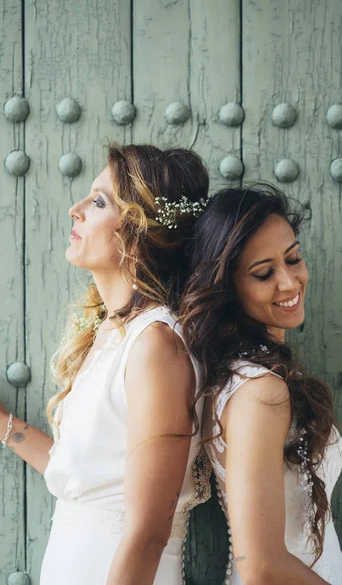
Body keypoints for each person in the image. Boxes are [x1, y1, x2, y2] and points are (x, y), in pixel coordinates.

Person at [0, 143, 212, 585]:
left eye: (98, 202)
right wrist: (5, 425)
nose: (75, 209)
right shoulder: (112, 334)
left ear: (139, 229)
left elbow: (148, 531)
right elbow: (86, 481)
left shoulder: (156, 345)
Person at [179, 185, 342, 585]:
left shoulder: (251, 379)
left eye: (293, 258)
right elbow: (261, 566)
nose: (289, 282)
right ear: (227, 289)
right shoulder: (259, 392)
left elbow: (295, 539)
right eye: (263, 273)